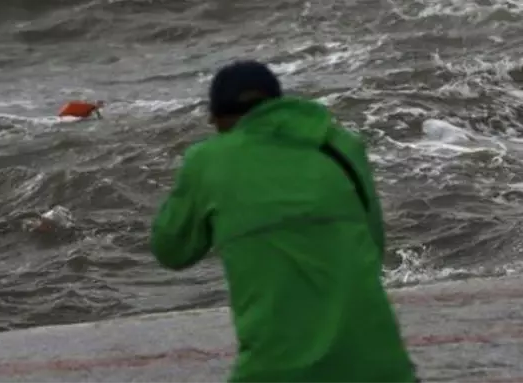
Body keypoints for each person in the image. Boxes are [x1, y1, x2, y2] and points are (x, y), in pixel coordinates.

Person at [150, 60, 418, 383]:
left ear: (218, 118)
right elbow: (373, 244)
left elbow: (171, 249)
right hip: (382, 367)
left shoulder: (208, 161)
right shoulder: (341, 146)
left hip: (279, 371)